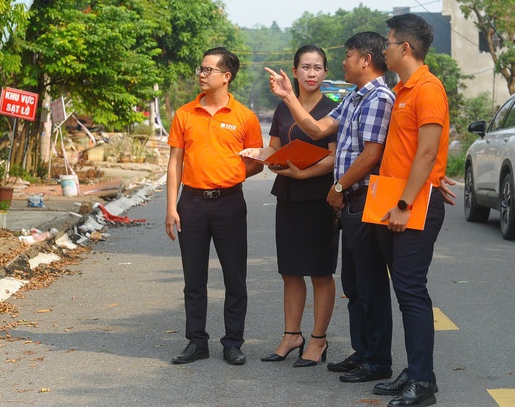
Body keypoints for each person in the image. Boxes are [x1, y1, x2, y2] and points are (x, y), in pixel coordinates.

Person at [265, 32, 396, 383]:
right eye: (305, 67)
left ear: (365, 60)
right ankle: (363, 352)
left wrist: (336, 185)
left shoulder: (379, 97)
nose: (343, 62)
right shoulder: (355, 97)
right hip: (347, 200)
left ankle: (376, 360)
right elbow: (316, 127)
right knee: (355, 283)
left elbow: (370, 154)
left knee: (367, 284)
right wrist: (289, 97)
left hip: (361, 198)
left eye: (348, 55)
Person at [165, 47, 264, 366]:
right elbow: (174, 163)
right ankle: (196, 342)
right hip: (191, 203)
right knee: (193, 280)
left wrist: (232, 175)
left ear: (226, 76)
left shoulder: (244, 117)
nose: (202, 74)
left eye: (208, 70)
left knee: (235, 278)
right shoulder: (184, 114)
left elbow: (257, 162)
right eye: (201, 68)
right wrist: (171, 207)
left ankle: (233, 343)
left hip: (230, 204)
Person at [240, 45, 338, 368]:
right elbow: (274, 149)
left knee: (320, 272)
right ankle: (291, 335)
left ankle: (318, 339)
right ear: (294, 72)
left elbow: (335, 156)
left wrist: (304, 172)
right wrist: (260, 156)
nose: (311, 73)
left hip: (322, 198)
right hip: (289, 197)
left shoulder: (333, 109)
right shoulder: (282, 110)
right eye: (305, 67)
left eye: (318, 67)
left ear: (326, 73)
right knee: (290, 271)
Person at [370, 13, 450, 407]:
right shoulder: (403, 89)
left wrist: (406, 203)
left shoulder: (428, 89)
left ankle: (423, 384)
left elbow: (428, 151)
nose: (383, 48)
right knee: (404, 291)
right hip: (392, 198)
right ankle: (418, 371)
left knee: (411, 290)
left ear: (405, 47)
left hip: (409, 204)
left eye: (387, 42)